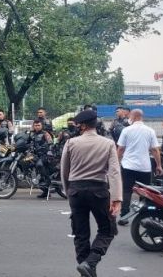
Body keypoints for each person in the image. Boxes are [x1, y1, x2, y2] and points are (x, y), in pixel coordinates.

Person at [60, 110, 122, 277]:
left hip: (76, 190)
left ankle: (85, 267)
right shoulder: (108, 143)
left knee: (81, 233)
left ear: (83, 125)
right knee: (107, 230)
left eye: (79, 125)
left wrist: (69, 191)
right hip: (99, 190)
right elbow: (114, 172)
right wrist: (117, 198)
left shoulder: (71, 143)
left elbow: (64, 171)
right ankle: (91, 262)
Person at [116, 109, 162, 225]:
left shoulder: (126, 130)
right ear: (141, 117)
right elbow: (155, 150)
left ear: (133, 116)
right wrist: (159, 165)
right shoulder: (150, 131)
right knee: (145, 192)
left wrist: (116, 162)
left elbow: (121, 148)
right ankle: (143, 216)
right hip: (144, 167)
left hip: (128, 166)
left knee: (126, 190)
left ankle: (124, 215)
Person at [30, 119, 54, 198]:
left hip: (44, 155)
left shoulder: (45, 133)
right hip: (36, 155)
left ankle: (47, 180)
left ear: (42, 126)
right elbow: (27, 141)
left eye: (38, 125)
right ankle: (45, 191)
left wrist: (49, 151)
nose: (37, 127)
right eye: (35, 125)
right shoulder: (32, 134)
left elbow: (50, 142)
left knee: (39, 165)